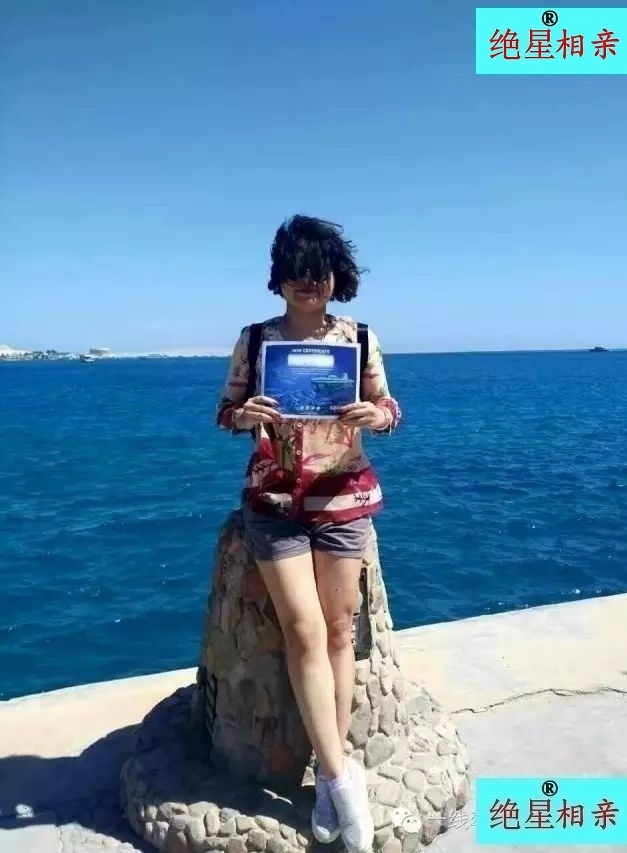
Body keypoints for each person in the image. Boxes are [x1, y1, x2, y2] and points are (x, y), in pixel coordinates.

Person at [216, 215, 401, 853]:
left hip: (343, 495)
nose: (306, 281)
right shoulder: (256, 341)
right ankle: (343, 782)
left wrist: (374, 414)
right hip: (274, 499)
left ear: (334, 276)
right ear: (280, 277)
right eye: (295, 270)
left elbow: (391, 410)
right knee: (303, 629)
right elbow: (224, 413)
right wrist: (245, 414)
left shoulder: (359, 339)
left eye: (317, 271)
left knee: (339, 631)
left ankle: (328, 772)